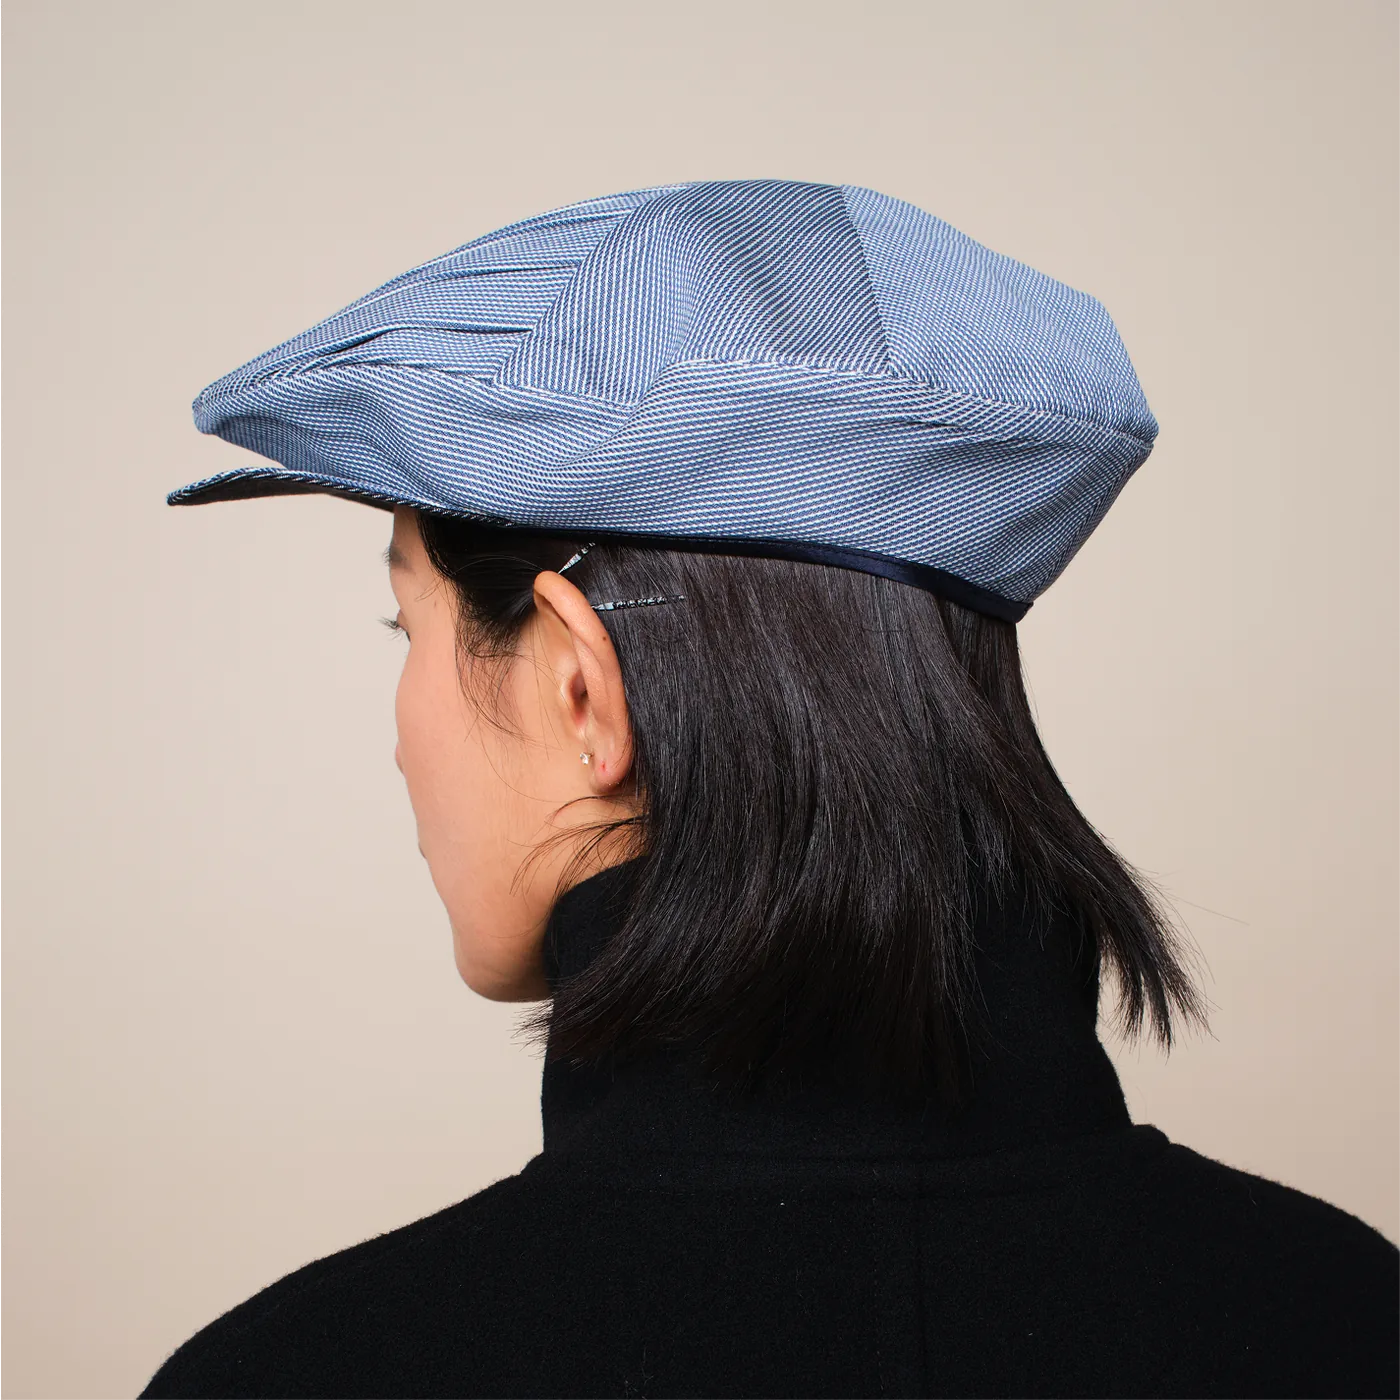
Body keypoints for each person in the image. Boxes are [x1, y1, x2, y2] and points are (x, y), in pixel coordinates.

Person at [138, 180, 1399, 1398]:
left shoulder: (304, 1373)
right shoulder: (1347, 1314)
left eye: (403, 623)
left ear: (581, 690)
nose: (398, 738)